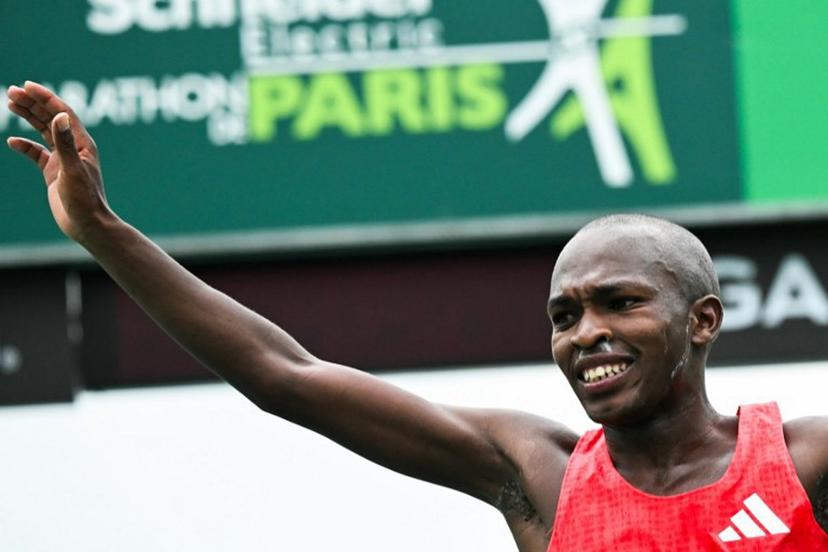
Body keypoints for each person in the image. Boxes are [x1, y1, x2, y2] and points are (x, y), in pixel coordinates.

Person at [5, 81, 828, 551]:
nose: (586, 335)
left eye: (621, 303)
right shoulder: (540, 476)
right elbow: (283, 375)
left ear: (704, 320)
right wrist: (103, 232)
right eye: (564, 315)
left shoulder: (807, 462)